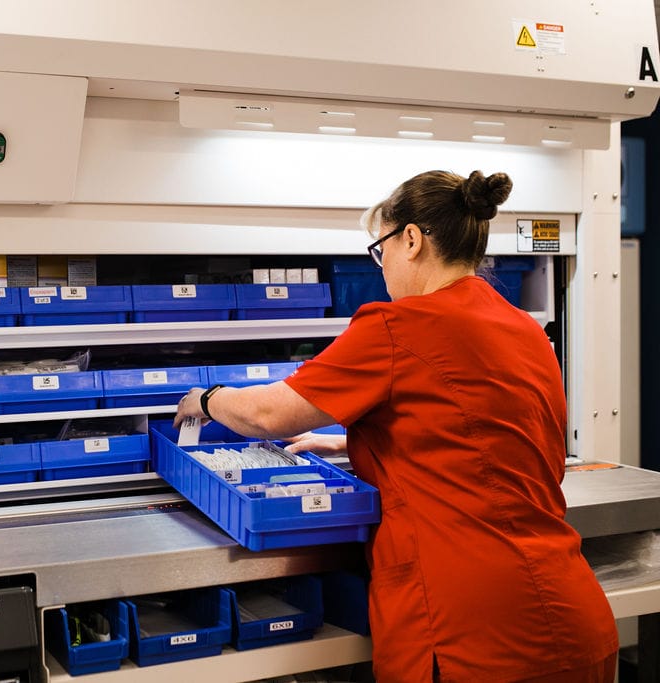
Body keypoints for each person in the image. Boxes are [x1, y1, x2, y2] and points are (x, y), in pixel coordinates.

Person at [173, 170, 618, 682]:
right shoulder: (525, 328)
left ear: (410, 239)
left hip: (472, 633)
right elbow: (484, 434)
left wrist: (208, 398)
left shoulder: (399, 326)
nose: (382, 267)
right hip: (569, 611)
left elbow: (266, 415)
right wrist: (349, 439)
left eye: (379, 249)